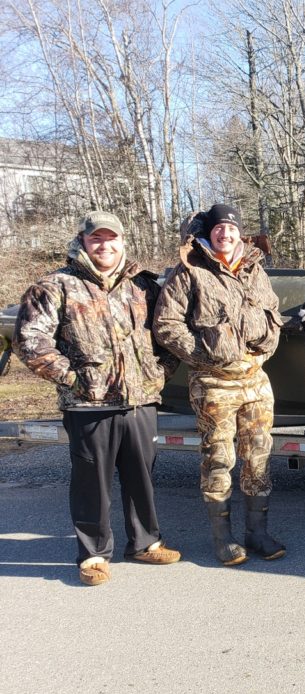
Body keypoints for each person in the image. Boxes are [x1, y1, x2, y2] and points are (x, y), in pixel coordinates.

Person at [14, 211, 181, 585]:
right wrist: (74, 379)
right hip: (88, 404)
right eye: (96, 239)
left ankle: (146, 543)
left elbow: (167, 335)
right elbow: (30, 342)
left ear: (122, 241)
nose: (105, 245)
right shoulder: (56, 286)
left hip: (140, 400)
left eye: (111, 238)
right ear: (83, 242)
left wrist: (159, 373)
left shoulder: (144, 286)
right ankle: (93, 555)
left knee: (142, 477)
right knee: (92, 482)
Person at [153, 204, 284, 566]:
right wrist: (203, 355)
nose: (225, 233)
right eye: (218, 228)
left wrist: (266, 346)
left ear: (240, 233)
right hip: (214, 382)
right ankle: (223, 538)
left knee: (258, 455)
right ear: (208, 233)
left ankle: (257, 533)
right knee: (219, 458)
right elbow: (166, 324)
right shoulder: (190, 271)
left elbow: (273, 313)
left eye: (231, 228)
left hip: (255, 379)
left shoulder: (254, 269)